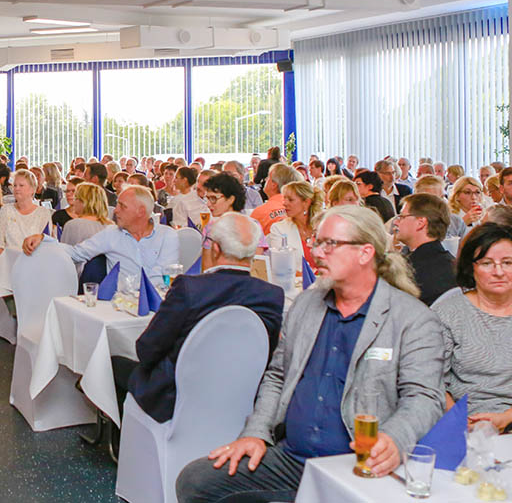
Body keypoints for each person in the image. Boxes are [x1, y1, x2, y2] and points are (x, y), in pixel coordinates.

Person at [176, 205, 444, 502]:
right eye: (317, 242)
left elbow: (423, 398)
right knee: (196, 481)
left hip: (356, 462)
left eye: (330, 244)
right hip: (292, 460)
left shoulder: (411, 319)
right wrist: (255, 433)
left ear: (365, 253)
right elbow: (277, 376)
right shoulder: (306, 304)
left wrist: (394, 438)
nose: (317, 252)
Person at [111, 212, 284, 423]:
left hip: (177, 396)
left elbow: (147, 350)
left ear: (216, 248)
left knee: (113, 363)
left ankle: (123, 441)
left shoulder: (190, 288)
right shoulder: (272, 294)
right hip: (244, 394)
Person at [432, 223, 512, 432]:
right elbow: (431, 379)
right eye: (486, 263)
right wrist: (458, 420)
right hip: (461, 424)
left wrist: (505, 418)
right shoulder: (448, 312)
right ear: (470, 267)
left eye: (508, 262)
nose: (498, 272)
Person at [22, 185, 179, 288]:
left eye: (122, 206)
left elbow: (162, 278)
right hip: (121, 308)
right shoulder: (111, 234)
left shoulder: (167, 236)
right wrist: (44, 240)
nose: (115, 210)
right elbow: (76, 253)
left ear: (141, 212)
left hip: (158, 307)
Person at [393, 193, 457, 306]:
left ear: (420, 223)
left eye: (402, 217)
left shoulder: (412, 269)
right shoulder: (452, 263)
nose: (396, 222)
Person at [0, 169, 53, 259]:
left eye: (21, 185)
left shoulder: (43, 213)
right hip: (8, 263)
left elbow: (47, 243)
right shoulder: (6, 210)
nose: (16, 188)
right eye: (15, 185)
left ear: (32, 189)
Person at [267, 180, 322, 272]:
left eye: (290, 200)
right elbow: (282, 267)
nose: (284, 203)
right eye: (284, 199)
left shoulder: (324, 226)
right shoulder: (279, 229)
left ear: (306, 202)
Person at [251, 163, 301, 235]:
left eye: (268, 177)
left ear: (274, 184)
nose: (265, 179)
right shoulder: (299, 209)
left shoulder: (260, 212)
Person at [414, 175, 469, 239]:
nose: (440, 202)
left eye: (442, 197)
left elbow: (464, 247)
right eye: (433, 198)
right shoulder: (410, 223)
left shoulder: (456, 222)